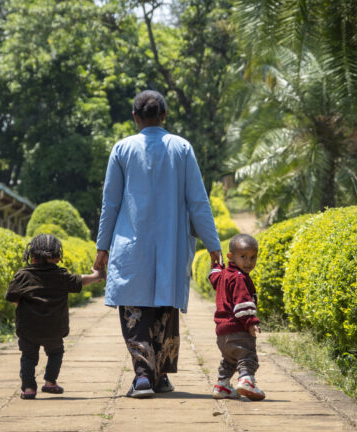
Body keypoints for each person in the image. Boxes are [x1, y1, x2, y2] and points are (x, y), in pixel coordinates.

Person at [94, 89, 223, 398]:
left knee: (135, 309)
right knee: (165, 310)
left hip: (131, 245)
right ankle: (160, 376)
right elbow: (198, 202)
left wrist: (102, 247)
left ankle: (143, 376)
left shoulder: (122, 149)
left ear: (135, 118)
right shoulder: (182, 148)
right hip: (171, 246)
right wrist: (214, 244)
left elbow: (110, 204)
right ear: (164, 115)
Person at [5, 234, 102, 400]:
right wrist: (97, 275)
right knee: (56, 353)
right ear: (57, 258)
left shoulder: (23, 275)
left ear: (32, 257)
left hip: (28, 328)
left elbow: (12, 297)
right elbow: (81, 280)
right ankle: (50, 382)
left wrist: (25, 309)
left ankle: (28, 388)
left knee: (28, 357)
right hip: (54, 328)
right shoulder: (61, 276)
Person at [209, 233, 266, 401]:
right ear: (231, 256)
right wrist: (250, 322)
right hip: (238, 330)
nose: (248, 262)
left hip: (222, 335)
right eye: (243, 257)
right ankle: (247, 380)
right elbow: (242, 302)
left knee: (230, 359)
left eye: (252, 257)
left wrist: (216, 264)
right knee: (247, 356)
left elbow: (213, 277)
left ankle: (222, 385)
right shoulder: (239, 277)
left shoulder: (224, 274)